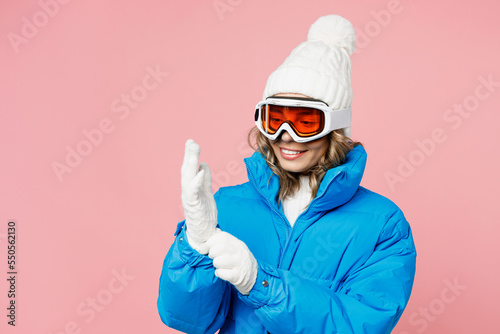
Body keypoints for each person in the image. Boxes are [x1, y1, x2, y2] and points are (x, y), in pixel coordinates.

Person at [157, 15, 416, 334]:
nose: (286, 135)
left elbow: (357, 326)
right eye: (275, 118)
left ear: (336, 128)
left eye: (305, 121)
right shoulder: (226, 205)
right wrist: (194, 243)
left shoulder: (383, 225)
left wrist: (260, 283)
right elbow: (187, 319)